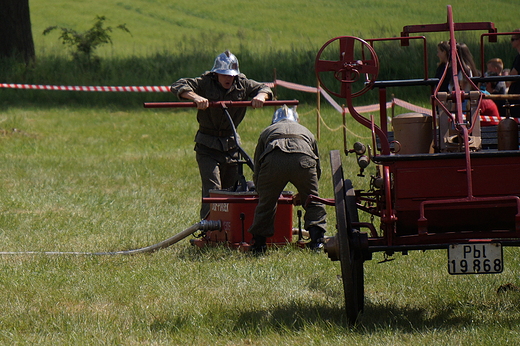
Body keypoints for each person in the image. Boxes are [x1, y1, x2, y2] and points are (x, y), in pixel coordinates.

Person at [170, 50, 273, 219]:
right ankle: (208, 228)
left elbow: (264, 88)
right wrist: (196, 97)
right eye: (224, 75)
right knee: (213, 189)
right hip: (207, 146)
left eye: (231, 75)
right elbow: (178, 85)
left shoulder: (242, 83)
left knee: (231, 190)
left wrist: (261, 96)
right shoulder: (205, 82)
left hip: (232, 145)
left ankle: (227, 229)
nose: (228, 78)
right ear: (216, 73)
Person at [248, 105, 327, 253]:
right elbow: (317, 168)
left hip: (273, 160)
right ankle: (317, 241)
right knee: (313, 201)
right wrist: (307, 193)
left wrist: (262, 191)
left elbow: (257, 165)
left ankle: (259, 245)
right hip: (304, 160)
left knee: (266, 204)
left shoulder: (267, 131)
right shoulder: (306, 131)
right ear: (295, 119)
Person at [508, 29, 520, 117]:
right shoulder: (518, 57)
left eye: (513, 39)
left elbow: (512, 77)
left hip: (517, 97)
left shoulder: (519, 58)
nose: (511, 41)